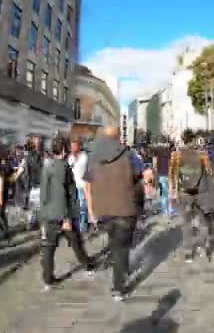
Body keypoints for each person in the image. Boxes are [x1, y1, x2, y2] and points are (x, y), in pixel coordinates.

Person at [84, 126, 137, 302]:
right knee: (121, 247)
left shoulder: (92, 157)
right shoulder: (128, 154)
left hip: (102, 210)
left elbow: (88, 187)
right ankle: (118, 288)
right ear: (118, 137)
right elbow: (141, 175)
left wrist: (91, 211)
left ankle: (122, 272)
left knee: (115, 244)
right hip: (124, 207)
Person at [39, 137, 94, 292]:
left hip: (49, 215)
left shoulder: (46, 167)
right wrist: (66, 217)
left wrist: (42, 217)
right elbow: (64, 194)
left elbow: (43, 196)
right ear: (63, 151)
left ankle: (48, 280)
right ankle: (88, 265)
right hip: (63, 215)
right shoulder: (63, 168)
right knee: (75, 242)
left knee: (48, 248)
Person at [169, 130, 213, 263]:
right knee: (204, 221)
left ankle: (188, 252)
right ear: (194, 140)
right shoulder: (202, 154)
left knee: (186, 223)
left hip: (184, 192)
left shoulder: (176, 154)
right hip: (201, 192)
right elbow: (209, 172)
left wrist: (174, 191)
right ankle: (202, 247)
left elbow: (173, 174)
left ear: (183, 139)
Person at [68, 138, 89, 232]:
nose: (73, 148)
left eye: (74, 146)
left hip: (82, 185)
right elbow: (69, 168)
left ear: (79, 146)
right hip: (73, 186)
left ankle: (83, 228)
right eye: (71, 146)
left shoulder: (84, 156)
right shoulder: (70, 157)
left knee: (82, 208)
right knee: (74, 207)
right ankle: (75, 226)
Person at [153, 137, 173, 217]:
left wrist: (155, 175)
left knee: (163, 193)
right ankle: (169, 210)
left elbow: (154, 166)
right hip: (169, 175)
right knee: (169, 193)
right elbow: (171, 164)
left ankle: (165, 211)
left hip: (161, 175)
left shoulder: (157, 153)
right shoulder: (169, 152)